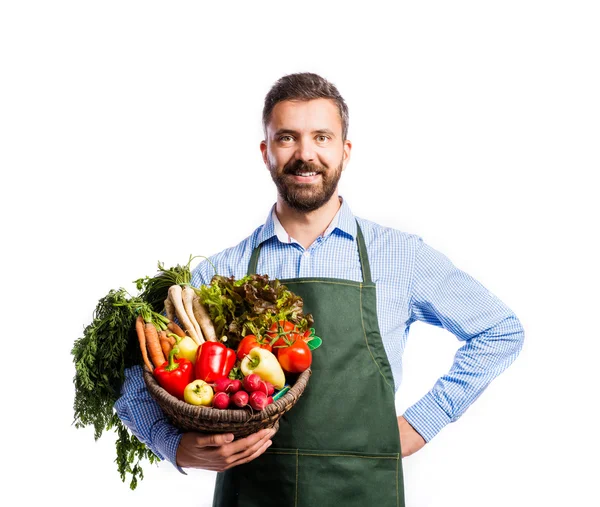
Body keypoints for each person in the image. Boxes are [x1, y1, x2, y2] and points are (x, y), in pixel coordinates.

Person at [115, 72, 524, 506]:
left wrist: (424, 421)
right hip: (254, 493)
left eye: (322, 137)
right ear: (266, 152)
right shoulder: (221, 272)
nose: (305, 154)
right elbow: (132, 376)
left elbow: (500, 330)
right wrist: (173, 445)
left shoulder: (400, 256)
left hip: (365, 490)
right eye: (287, 138)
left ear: (345, 151)